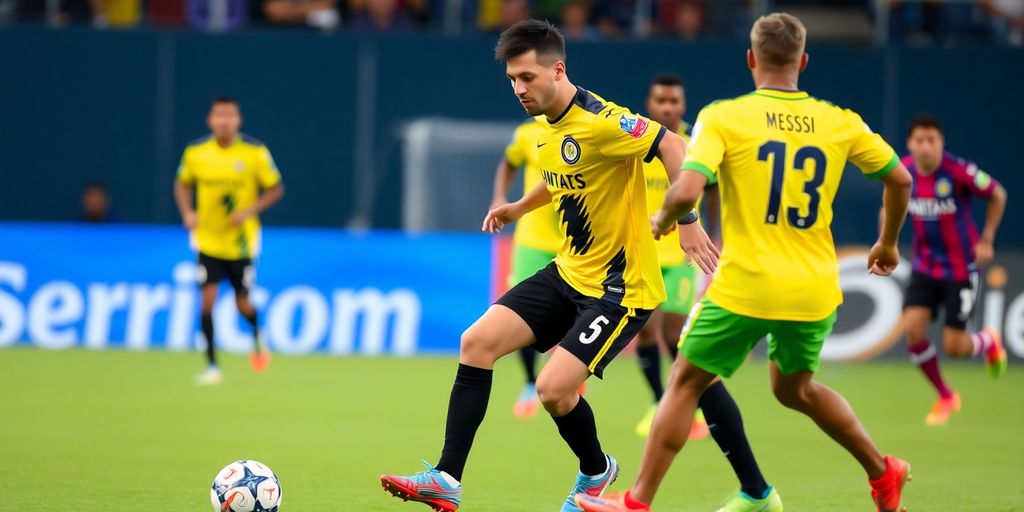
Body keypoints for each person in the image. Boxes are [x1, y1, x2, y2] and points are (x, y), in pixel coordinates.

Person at [576, 12, 915, 512]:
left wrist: (666, 217)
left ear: (751, 59)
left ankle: (636, 502)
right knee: (796, 389)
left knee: (686, 380)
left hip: (748, 283)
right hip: (814, 287)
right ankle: (883, 471)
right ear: (803, 61)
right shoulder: (841, 121)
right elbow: (900, 179)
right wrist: (887, 243)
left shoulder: (724, 116)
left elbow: (688, 187)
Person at [379, 19, 696, 512]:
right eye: (512, 79)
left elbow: (674, 147)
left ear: (558, 69)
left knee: (552, 389)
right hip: (568, 271)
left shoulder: (603, 120)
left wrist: (688, 219)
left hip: (620, 288)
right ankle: (447, 478)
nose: (518, 88)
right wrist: (519, 208)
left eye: (527, 77)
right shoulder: (545, 127)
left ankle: (596, 471)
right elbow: (563, 176)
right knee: (476, 342)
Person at [633, 72, 779, 510]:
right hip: (643, 251)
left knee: (677, 339)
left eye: (673, 100)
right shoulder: (640, 139)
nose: (666, 107)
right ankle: (661, 404)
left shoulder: (699, 140)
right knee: (646, 333)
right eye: (660, 99)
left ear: (682, 102)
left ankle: (673, 409)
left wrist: (712, 236)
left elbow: (711, 195)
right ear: (650, 101)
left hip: (681, 252)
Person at [899, 113, 1008, 426]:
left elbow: (998, 194)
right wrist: (887, 236)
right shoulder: (904, 172)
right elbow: (890, 203)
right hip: (924, 267)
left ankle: (988, 341)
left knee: (955, 348)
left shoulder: (959, 171)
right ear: (910, 143)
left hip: (961, 270)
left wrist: (987, 238)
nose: (925, 147)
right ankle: (946, 396)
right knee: (912, 330)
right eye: (919, 140)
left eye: (931, 140)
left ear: (940, 143)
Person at [174, 97, 285, 385]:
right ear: (210, 120)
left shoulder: (255, 153)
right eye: (219, 115)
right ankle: (212, 366)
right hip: (208, 241)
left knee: (242, 302)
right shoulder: (196, 152)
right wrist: (188, 212)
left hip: (241, 243)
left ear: (239, 120)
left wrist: (249, 211)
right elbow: (182, 183)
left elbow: (275, 190)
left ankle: (257, 332)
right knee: (207, 302)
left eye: (230, 115)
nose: (224, 121)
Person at [491, 116, 564, 419]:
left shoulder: (577, 129)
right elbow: (508, 163)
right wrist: (499, 196)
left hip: (570, 240)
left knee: (577, 309)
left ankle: (562, 373)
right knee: (522, 312)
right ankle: (530, 382)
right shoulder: (526, 133)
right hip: (532, 240)